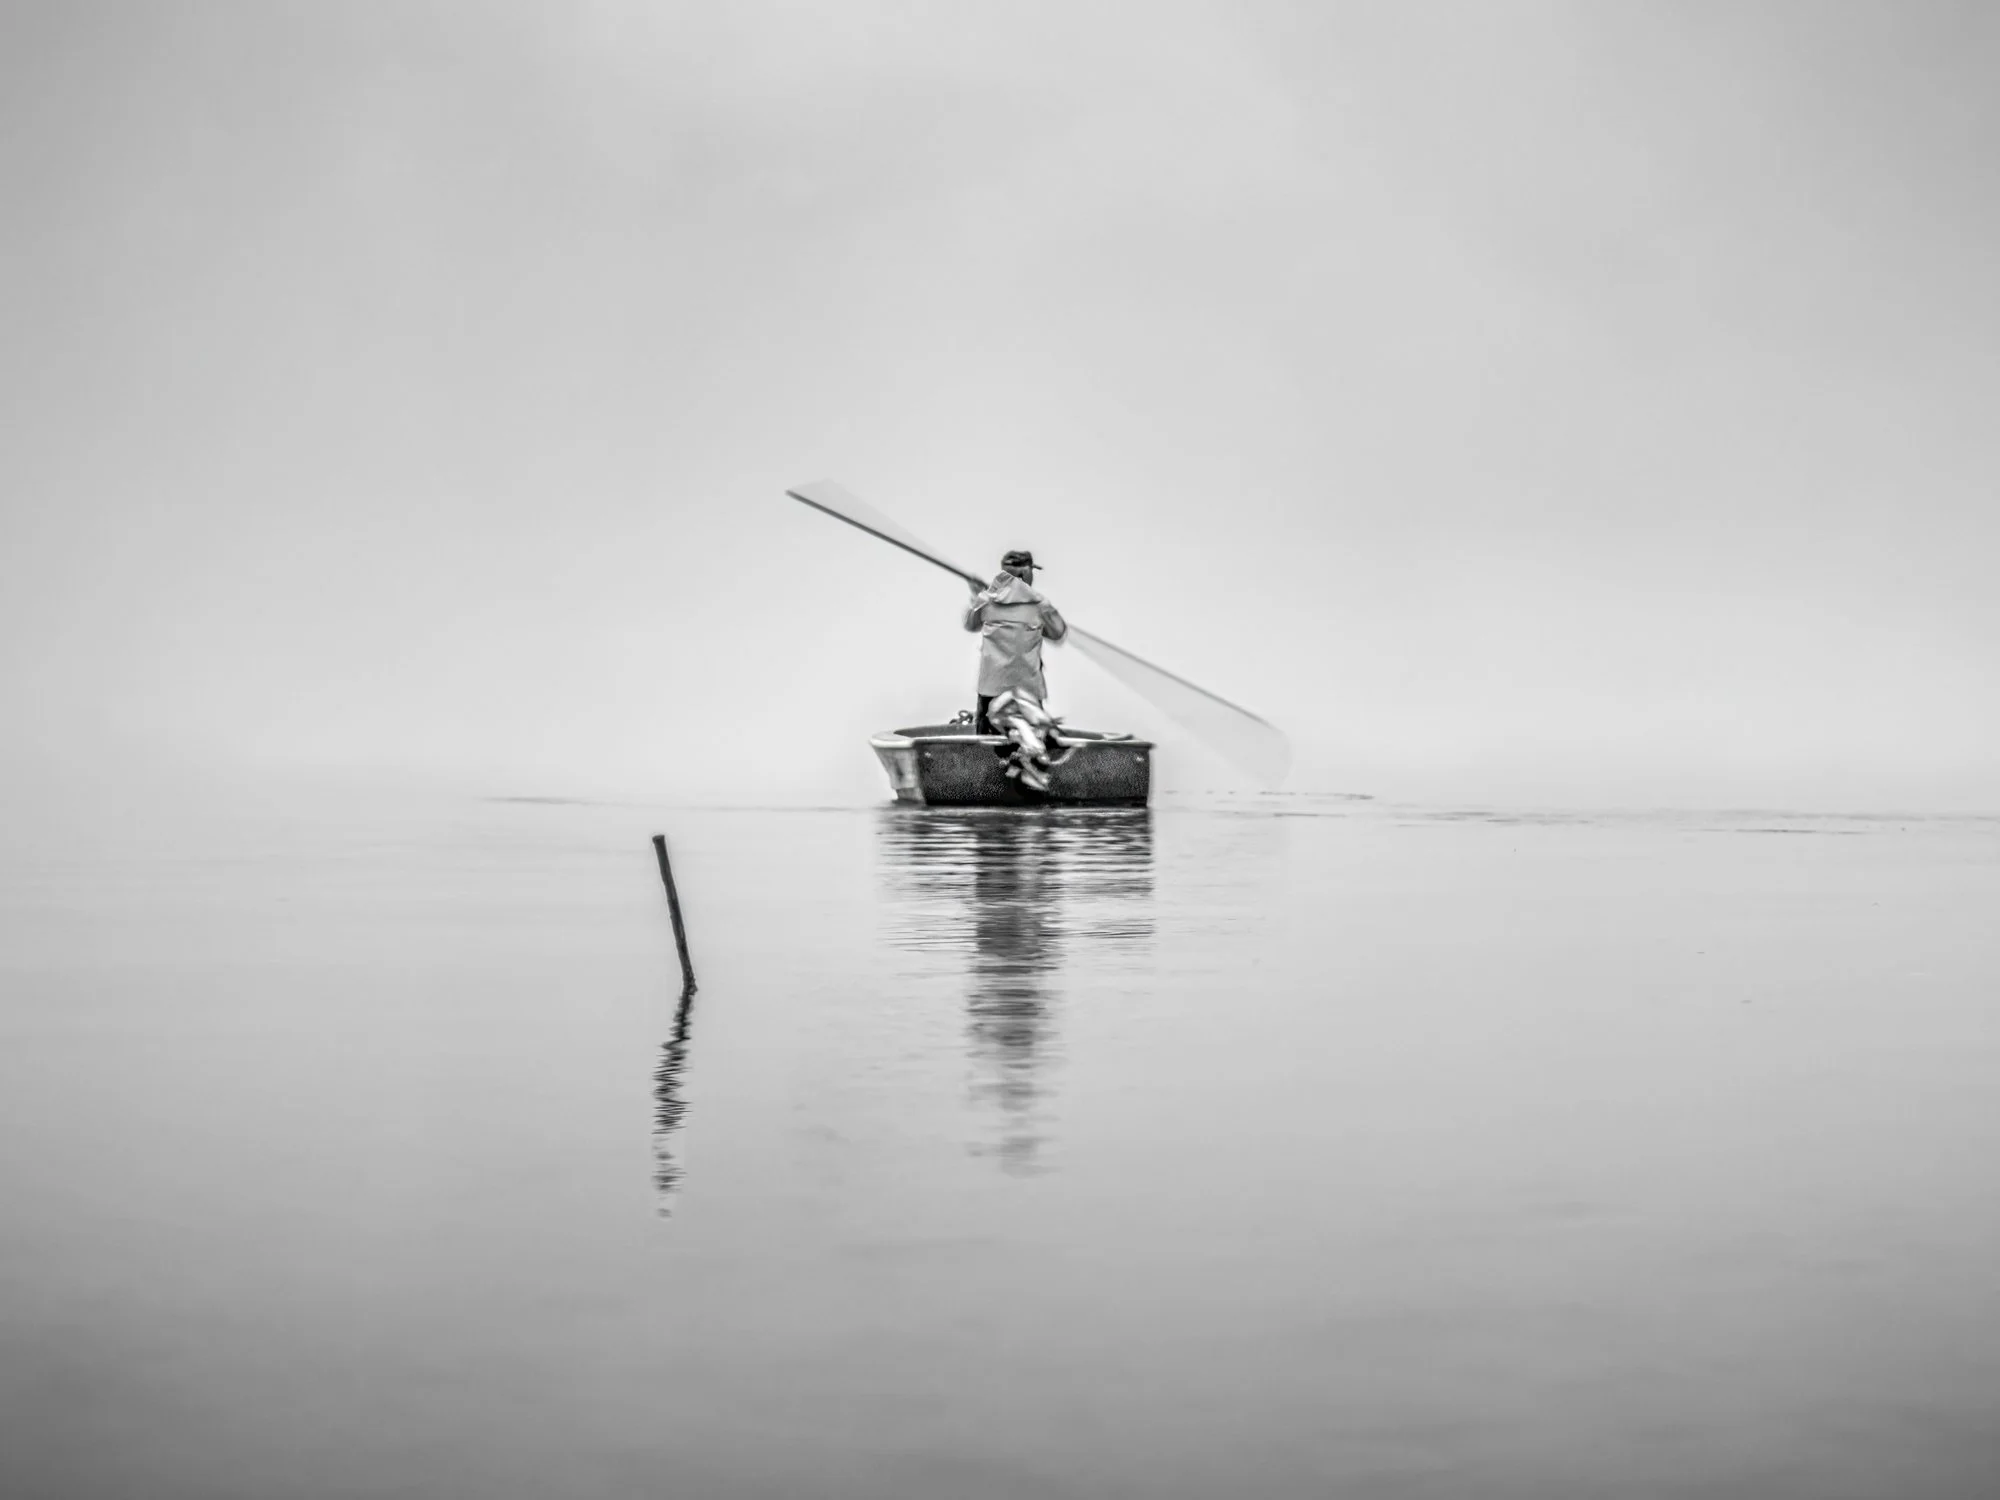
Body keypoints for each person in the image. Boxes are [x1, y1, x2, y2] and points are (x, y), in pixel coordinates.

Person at [964, 549, 1068, 735]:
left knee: (987, 747)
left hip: (992, 689)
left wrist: (978, 595)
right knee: (1034, 742)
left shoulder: (987, 600)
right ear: (1024, 573)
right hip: (1028, 690)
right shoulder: (1040, 605)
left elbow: (970, 624)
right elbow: (1059, 633)